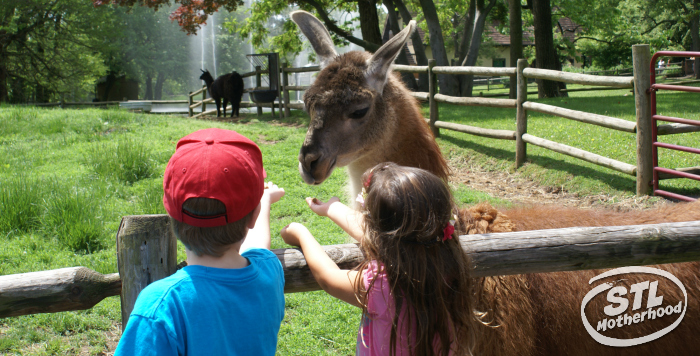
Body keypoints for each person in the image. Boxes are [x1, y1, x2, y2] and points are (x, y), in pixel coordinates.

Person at [115, 128, 286, 356]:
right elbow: (258, 243)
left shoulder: (161, 306)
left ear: (172, 214)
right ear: (254, 215)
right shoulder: (269, 272)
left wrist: (260, 203)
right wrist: (263, 200)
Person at [281, 163, 477, 356]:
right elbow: (383, 238)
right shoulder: (452, 265)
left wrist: (301, 234)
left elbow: (328, 276)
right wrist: (333, 208)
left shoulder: (384, 285)